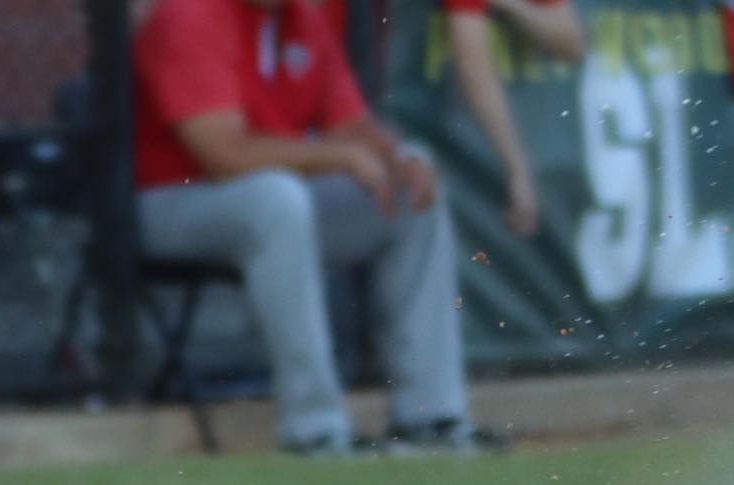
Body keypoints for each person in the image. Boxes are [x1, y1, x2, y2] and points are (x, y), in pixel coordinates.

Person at [133, 0, 500, 456]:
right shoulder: (188, 15)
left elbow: (352, 126)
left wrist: (398, 156)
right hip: (165, 206)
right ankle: (316, 428)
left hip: (268, 202)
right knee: (276, 198)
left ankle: (431, 417)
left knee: (410, 188)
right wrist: (338, 158)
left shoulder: (303, 17)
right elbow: (224, 154)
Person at [443, 0, 586, 236]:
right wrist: (518, 169)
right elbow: (473, 68)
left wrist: (512, 5)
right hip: (466, 149)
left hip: (545, 152)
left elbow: (572, 43)